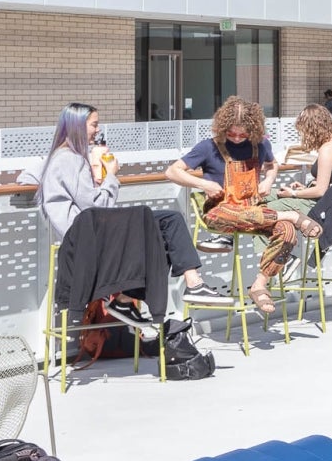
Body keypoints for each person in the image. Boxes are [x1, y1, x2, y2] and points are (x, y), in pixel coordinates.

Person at [27, 104, 224, 320]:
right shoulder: (69, 159)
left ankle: (130, 300)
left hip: (87, 234)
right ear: (78, 126)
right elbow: (96, 207)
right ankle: (187, 285)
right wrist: (111, 176)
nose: (98, 130)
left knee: (161, 229)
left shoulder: (65, 157)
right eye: (94, 124)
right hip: (87, 238)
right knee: (167, 221)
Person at [163, 97, 317, 315]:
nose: (236, 138)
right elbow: (172, 171)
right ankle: (290, 214)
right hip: (221, 212)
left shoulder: (261, 145)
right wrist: (203, 183)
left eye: (242, 134)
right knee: (267, 217)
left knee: (288, 231)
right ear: (222, 127)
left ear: (253, 130)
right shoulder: (208, 147)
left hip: (255, 211)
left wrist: (268, 181)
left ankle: (259, 284)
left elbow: (272, 165)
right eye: (231, 133)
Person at [266, 105, 332, 260]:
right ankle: (278, 254)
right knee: (265, 194)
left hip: (324, 206)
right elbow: (330, 182)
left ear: (312, 128)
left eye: (303, 131)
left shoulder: (327, 149)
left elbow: (321, 190)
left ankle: (282, 256)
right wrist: (304, 189)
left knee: (268, 210)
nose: (303, 136)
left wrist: (294, 193)